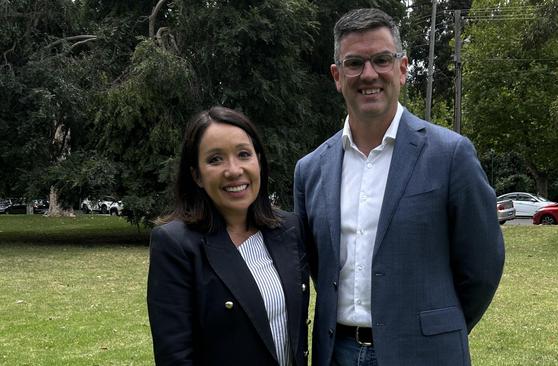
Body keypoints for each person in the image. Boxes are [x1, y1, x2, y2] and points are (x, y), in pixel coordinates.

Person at [293, 8, 505, 366]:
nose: (369, 74)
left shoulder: (451, 154)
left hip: (424, 353)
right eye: (354, 63)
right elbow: (317, 266)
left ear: (403, 68)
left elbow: (482, 266)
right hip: (337, 353)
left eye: (381, 60)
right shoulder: (310, 169)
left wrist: (437, 326)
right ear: (337, 76)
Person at [148, 106, 310, 365]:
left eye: (244, 154)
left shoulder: (288, 229)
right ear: (196, 175)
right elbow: (175, 356)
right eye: (215, 159)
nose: (234, 170)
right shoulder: (176, 245)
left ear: (258, 160)